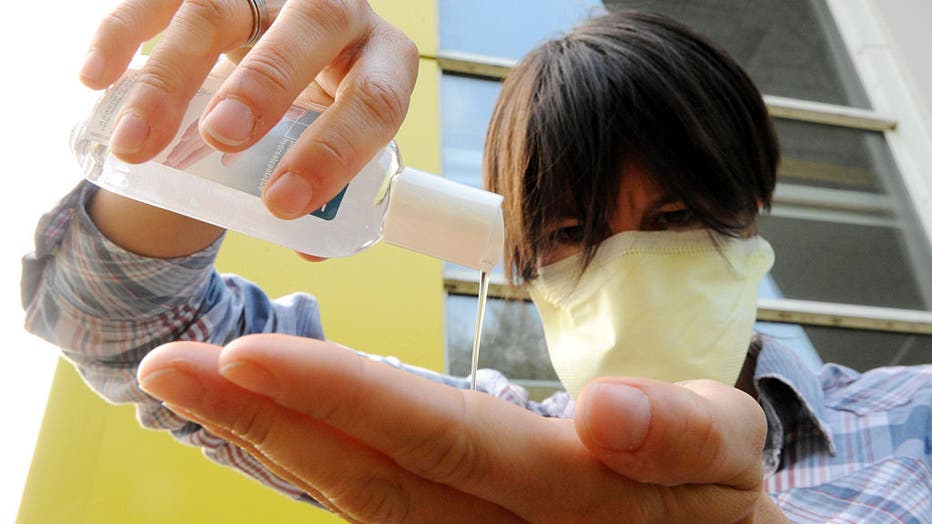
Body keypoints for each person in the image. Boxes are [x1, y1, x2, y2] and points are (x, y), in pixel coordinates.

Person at [21, 1, 930, 523]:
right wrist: (214, 126)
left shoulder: (916, 417)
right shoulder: (485, 447)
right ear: (520, 256)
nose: (632, 265)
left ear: (750, 212)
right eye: (572, 234)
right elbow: (133, 329)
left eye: (678, 215)